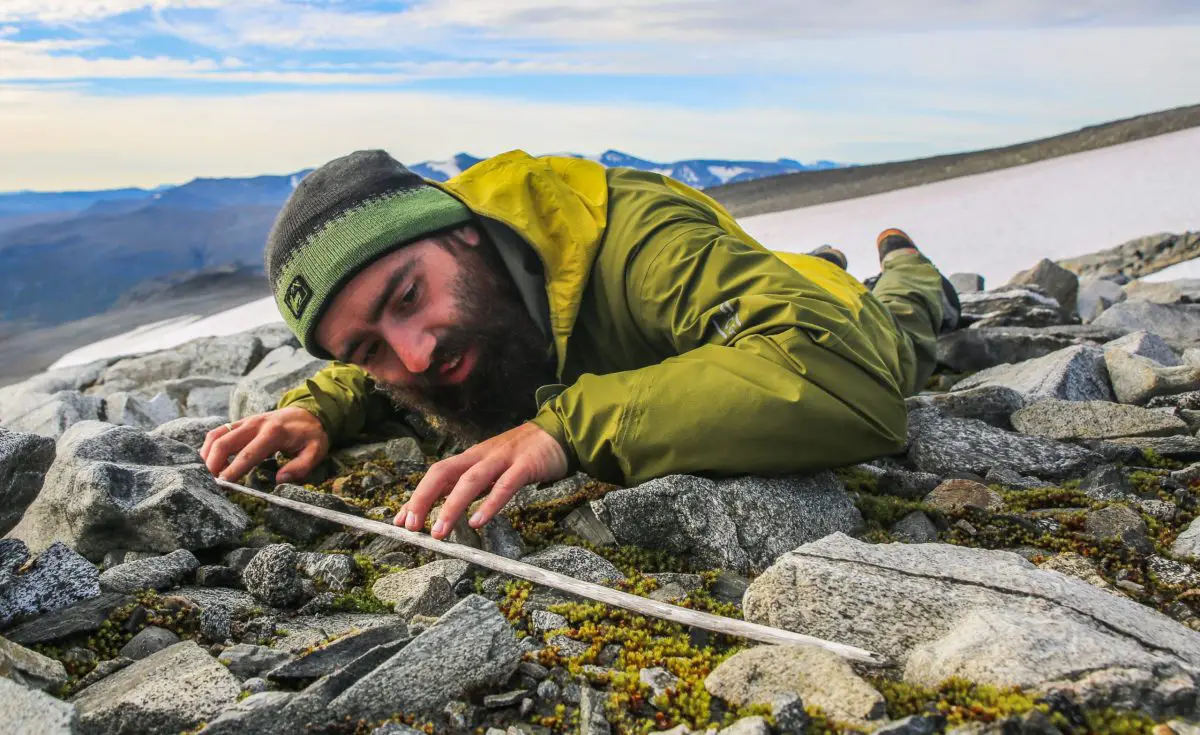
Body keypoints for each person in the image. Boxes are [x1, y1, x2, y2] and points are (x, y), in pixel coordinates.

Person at [201, 149, 959, 541]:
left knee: (898, 328)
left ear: (463, 231)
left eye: (407, 297)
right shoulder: (445, 306)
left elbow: (842, 380)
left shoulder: (630, 231)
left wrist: (568, 429)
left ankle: (908, 265)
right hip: (729, 304)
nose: (417, 355)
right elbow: (385, 371)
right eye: (366, 348)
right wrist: (317, 408)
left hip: (834, 319)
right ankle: (808, 267)